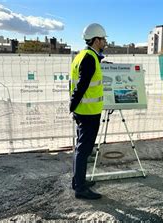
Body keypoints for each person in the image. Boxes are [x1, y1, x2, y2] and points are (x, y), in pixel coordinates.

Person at [69, 23, 108, 200]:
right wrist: (73, 105)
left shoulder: (83, 56)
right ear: (96, 40)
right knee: (84, 150)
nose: (105, 42)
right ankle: (81, 188)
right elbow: (82, 85)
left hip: (84, 110)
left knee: (81, 148)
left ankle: (78, 180)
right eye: (103, 39)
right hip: (88, 112)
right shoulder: (89, 58)